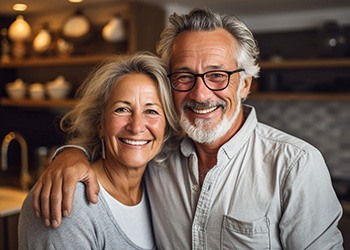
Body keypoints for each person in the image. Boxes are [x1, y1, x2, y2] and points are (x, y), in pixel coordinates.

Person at [32, 8, 344, 249]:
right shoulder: (159, 154)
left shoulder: (295, 164)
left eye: (217, 75)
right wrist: (70, 155)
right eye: (184, 77)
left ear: (245, 84)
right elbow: (122, 139)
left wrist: (69, 154)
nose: (201, 94)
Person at [18, 52, 180, 249]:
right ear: (100, 124)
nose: (136, 126)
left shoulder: (159, 186)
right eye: (122, 109)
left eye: (151, 111)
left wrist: (71, 152)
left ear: (166, 128)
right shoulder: (68, 201)